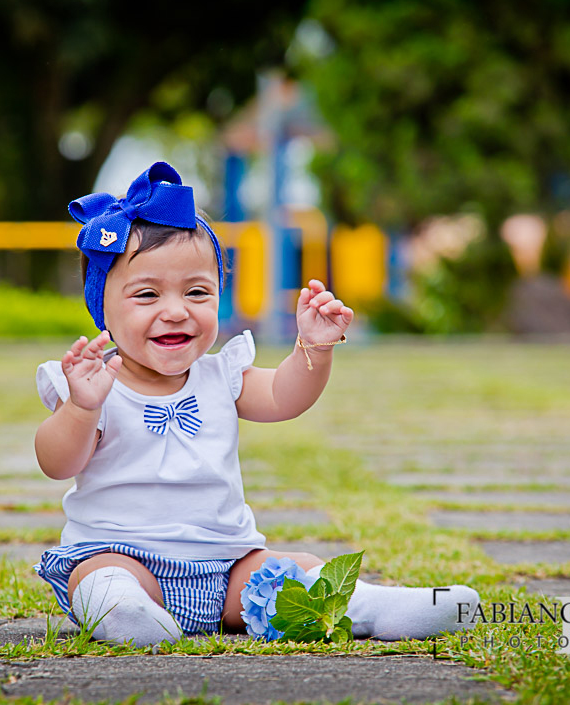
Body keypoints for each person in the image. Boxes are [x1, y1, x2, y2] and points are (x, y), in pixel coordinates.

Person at [34, 162, 478, 646]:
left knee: (294, 572)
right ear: (102, 306)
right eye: (147, 294)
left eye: (197, 292)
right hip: (123, 556)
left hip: (228, 567)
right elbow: (57, 462)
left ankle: (372, 606)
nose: (176, 310)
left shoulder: (221, 375)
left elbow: (286, 396)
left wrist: (314, 348)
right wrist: (81, 409)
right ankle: (123, 612)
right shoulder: (96, 386)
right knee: (101, 577)